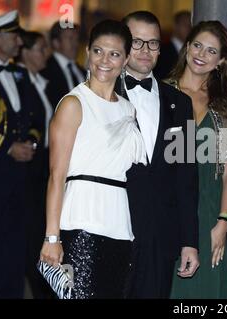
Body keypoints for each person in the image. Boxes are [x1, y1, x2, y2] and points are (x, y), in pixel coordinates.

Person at [39, 19, 146, 299]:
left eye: (114, 54)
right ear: (87, 51)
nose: (105, 60)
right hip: (81, 221)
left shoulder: (128, 109)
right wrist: (52, 238)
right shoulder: (74, 103)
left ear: (125, 59)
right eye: (98, 51)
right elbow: (56, 176)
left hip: (121, 225)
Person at [116, 11, 199, 298]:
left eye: (152, 43)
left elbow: (186, 176)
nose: (145, 51)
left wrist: (190, 241)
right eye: (136, 42)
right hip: (111, 226)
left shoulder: (180, 103)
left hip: (161, 235)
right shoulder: (100, 95)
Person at [167, 20, 227, 299]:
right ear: (187, 47)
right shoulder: (161, 93)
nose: (201, 54)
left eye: (212, 51)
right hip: (168, 208)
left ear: (222, 61)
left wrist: (223, 222)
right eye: (197, 45)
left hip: (210, 211)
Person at [0, 10, 41, 298]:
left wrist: (32, 144)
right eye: (14, 36)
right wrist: (8, 147)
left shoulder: (19, 74)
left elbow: (36, 118)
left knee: (14, 247)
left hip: (21, 178)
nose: (19, 43)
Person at [16, 30, 54, 299]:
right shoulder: (19, 81)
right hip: (27, 171)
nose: (46, 54)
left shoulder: (42, 82)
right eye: (41, 48)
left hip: (42, 168)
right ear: (25, 52)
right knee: (29, 237)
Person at [41, 22, 86, 108]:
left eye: (77, 39)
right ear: (56, 43)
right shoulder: (46, 71)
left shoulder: (82, 71)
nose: (76, 44)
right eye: (70, 38)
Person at [153, 10, 191, 80]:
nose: (189, 28)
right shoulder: (161, 51)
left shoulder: (193, 51)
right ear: (175, 26)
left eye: (190, 25)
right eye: (185, 24)